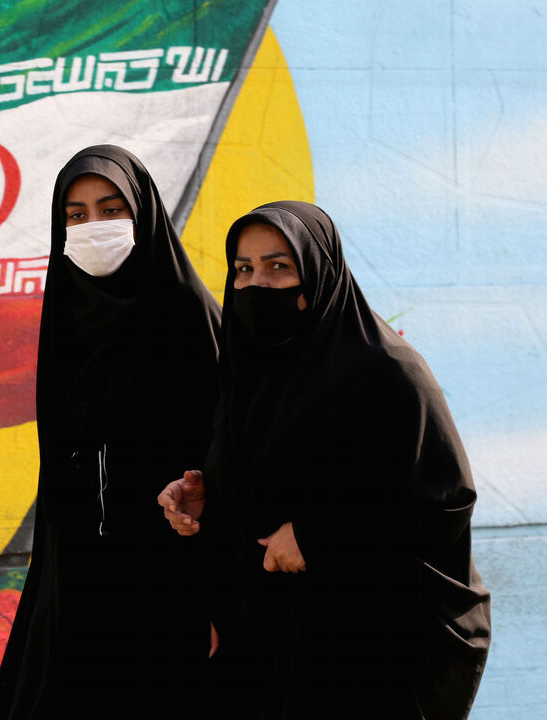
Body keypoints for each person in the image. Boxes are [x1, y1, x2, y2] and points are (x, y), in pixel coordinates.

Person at [159, 201, 491, 718]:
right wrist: (210, 493)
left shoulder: (387, 371)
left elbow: (441, 503)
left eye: (278, 266)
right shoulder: (248, 369)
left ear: (319, 271)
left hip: (364, 649)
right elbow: (270, 478)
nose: (257, 284)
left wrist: (319, 537)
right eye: (244, 269)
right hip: (266, 640)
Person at [0, 145, 220, 719]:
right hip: (78, 571)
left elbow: (232, 456)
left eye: (112, 210)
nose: (94, 225)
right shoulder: (67, 317)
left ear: (143, 215)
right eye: (76, 214)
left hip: (171, 577)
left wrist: (218, 597)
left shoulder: (190, 317)